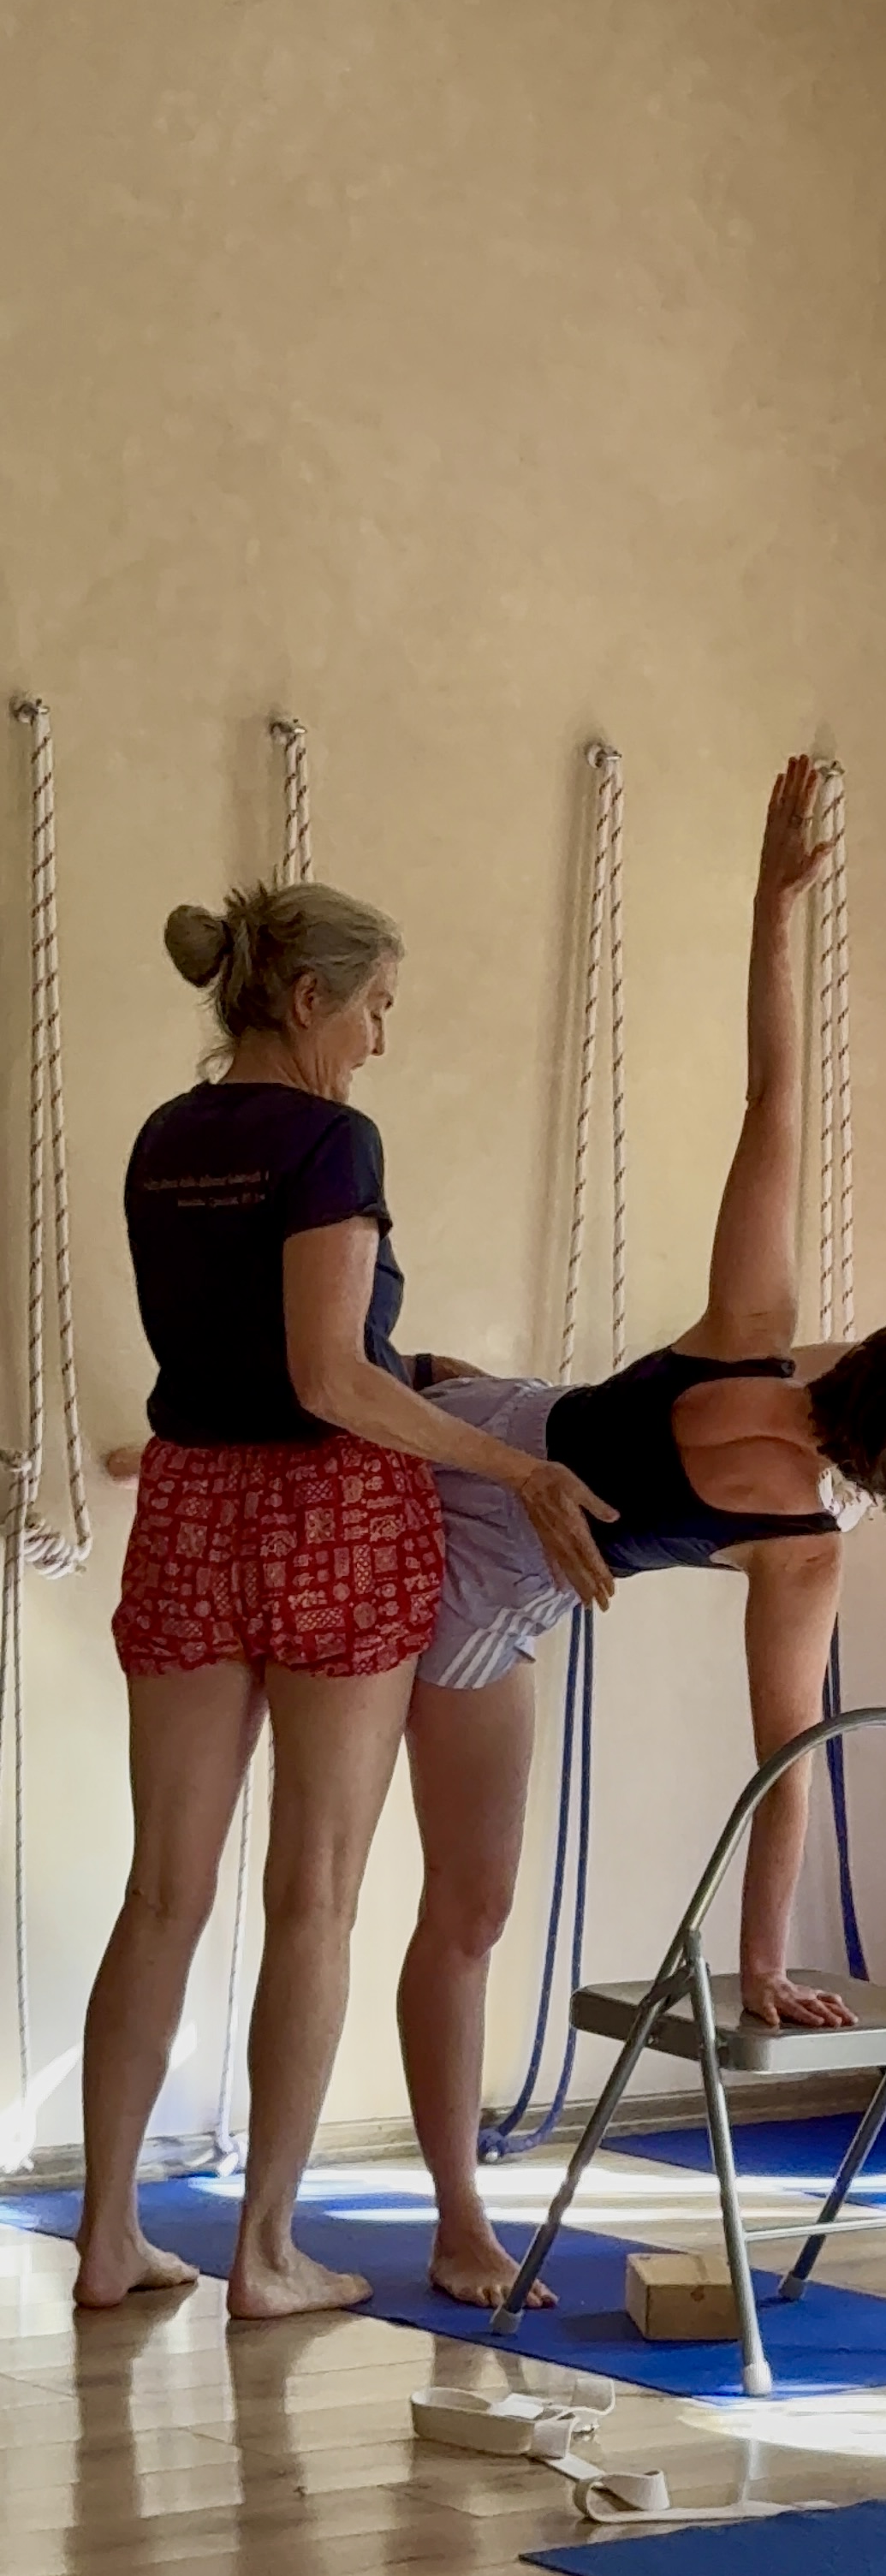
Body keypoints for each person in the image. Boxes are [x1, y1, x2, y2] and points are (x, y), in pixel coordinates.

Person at [399, 756, 886, 2306]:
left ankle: (455, 2213)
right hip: (476, 1555)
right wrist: (765, 1963)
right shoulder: (799, 1542)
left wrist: (773, 908)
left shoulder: (757, 1334)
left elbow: (773, 1095)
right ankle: (458, 2223)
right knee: (465, 1909)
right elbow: (788, 1768)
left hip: (486, 1465)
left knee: (463, 1899)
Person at [80, 882, 611, 2319]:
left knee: (160, 1890)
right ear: (309, 999)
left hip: (191, 1508)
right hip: (327, 1513)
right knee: (312, 1893)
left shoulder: (165, 1138)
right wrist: (517, 1464)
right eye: (374, 1004)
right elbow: (331, 1378)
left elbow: (231, 1358)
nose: (380, 1037)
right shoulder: (330, 1138)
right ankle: (263, 2254)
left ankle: (110, 2235)